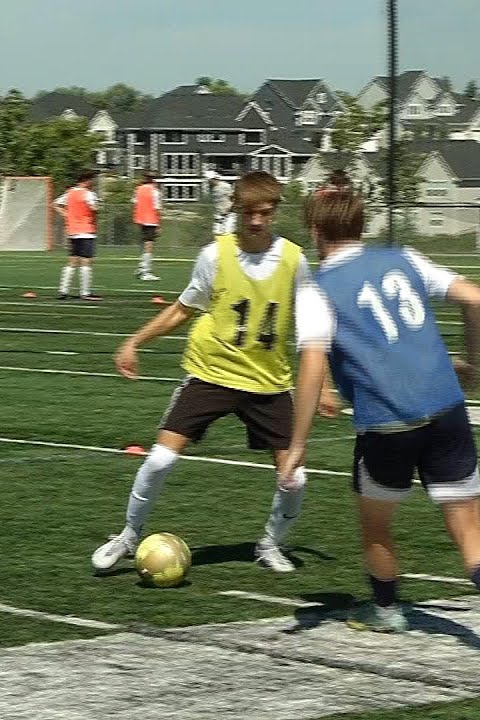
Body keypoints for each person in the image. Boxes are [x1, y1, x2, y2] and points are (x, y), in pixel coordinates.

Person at [278, 189, 480, 658]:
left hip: (387, 424)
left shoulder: (316, 289)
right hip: (446, 409)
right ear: (362, 226)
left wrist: (297, 443)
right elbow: (477, 300)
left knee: (376, 526)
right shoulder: (403, 258)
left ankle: (386, 611)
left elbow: (313, 363)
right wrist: (474, 366)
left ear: (315, 232)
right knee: (467, 525)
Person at [92, 171, 336, 574]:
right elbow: (183, 309)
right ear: (235, 209)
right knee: (159, 461)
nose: (257, 221)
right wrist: (135, 341)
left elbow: (313, 329)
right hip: (211, 373)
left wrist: (324, 386)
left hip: (268, 382)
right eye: (249, 212)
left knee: (295, 478)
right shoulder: (214, 256)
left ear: (275, 211)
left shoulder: (294, 260)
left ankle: (270, 544)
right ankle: (128, 535)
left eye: (265, 212)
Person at [54, 170, 101, 301]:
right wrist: (98, 207)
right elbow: (94, 208)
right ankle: (85, 292)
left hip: (73, 231)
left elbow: (56, 204)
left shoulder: (70, 193)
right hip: (86, 230)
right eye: (91, 179)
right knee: (86, 261)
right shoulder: (89, 194)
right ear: (86, 181)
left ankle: (63, 290)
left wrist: (66, 214)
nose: (93, 182)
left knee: (72, 261)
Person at [133, 173, 162, 281]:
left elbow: (135, 203)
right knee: (149, 245)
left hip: (140, 219)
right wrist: (159, 224)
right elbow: (157, 208)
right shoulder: (155, 191)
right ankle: (145, 270)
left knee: (145, 244)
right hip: (151, 220)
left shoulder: (138, 189)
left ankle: (141, 267)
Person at [206, 170, 235, 235]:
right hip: (218, 214)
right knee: (217, 233)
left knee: (227, 234)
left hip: (228, 214)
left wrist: (229, 207)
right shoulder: (212, 189)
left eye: (209, 180)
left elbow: (233, 198)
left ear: (214, 179)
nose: (208, 182)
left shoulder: (226, 186)